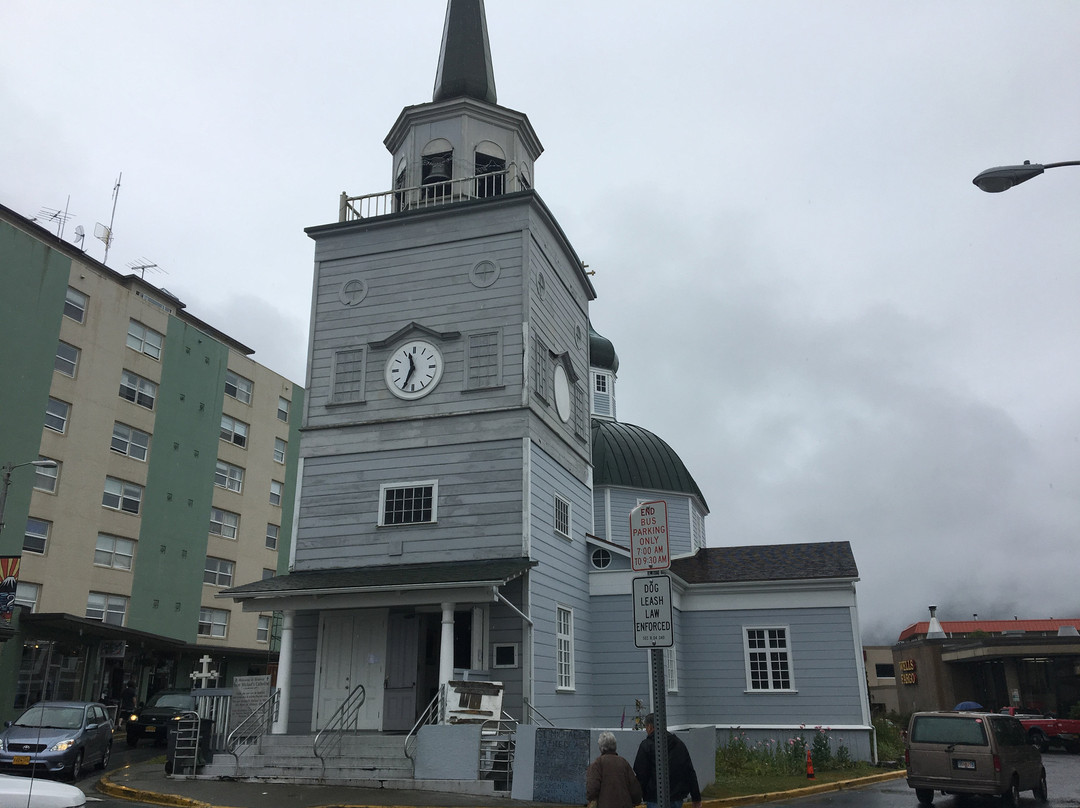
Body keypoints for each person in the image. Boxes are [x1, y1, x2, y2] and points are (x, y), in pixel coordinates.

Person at [633, 713, 702, 808]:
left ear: (649, 727)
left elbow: (641, 773)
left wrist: (636, 797)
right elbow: (689, 772)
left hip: (654, 797)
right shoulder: (678, 744)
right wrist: (696, 797)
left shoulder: (646, 746)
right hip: (676, 797)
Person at [586, 731, 643, 808]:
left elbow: (592, 789)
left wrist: (591, 799)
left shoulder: (597, 764)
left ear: (600, 747)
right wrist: (636, 801)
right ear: (615, 746)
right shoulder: (623, 762)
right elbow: (635, 788)